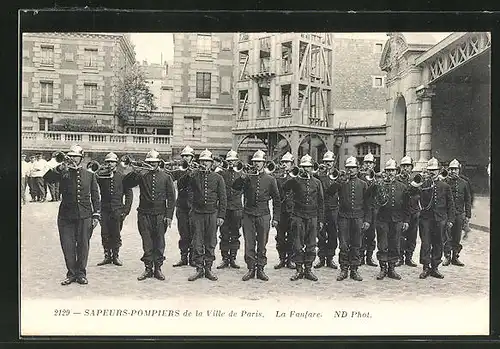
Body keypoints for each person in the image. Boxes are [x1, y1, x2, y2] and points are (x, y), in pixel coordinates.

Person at [46, 145, 101, 285]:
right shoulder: (63, 172)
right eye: (70, 156)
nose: (72, 158)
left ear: (81, 158)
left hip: (85, 215)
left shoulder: (90, 175)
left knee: (83, 245)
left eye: (75, 156)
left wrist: (96, 215)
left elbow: (95, 196)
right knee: (68, 245)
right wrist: (59, 168)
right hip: (66, 215)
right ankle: (71, 274)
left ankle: (81, 273)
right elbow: (48, 178)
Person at [123, 149, 176, 281]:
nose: (151, 164)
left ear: (159, 163)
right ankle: (148, 268)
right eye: (149, 162)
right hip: (144, 214)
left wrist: (169, 216)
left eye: (154, 162)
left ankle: (158, 268)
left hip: (160, 215)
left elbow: (171, 197)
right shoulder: (142, 175)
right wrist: (135, 171)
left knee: (159, 242)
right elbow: (127, 183)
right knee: (146, 242)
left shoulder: (166, 177)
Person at [233, 150, 281, 281]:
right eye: (255, 162)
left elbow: (277, 199)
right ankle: (250, 269)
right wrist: (241, 177)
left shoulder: (270, 179)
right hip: (248, 214)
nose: (257, 164)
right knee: (249, 243)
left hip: (263, 215)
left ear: (264, 163)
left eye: (259, 162)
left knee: (262, 243)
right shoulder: (247, 177)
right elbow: (235, 188)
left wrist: (276, 218)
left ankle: (260, 269)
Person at [326, 156, 372, 282]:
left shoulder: (363, 184)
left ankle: (354, 270)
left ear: (357, 169)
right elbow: (329, 193)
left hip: (358, 217)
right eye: (348, 168)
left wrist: (367, 220)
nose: (350, 170)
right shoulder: (341, 182)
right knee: (344, 244)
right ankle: (344, 269)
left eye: (353, 168)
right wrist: (338, 182)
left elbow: (368, 204)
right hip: (343, 217)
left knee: (356, 244)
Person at [185, 149, 227, 282]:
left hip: (212, 214)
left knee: (211, 242)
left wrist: (221, 216)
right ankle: (199, 268)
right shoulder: (194, 175)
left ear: (211, 163)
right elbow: (187, 191)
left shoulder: (218, 178)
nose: (204, 163)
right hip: (197, 214)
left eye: (207, 161)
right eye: (202, 161)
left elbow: (223, 198)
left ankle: (208, 268)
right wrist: (192, 207)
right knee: (197, 242)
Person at [284, 154, 324, 282]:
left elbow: (321, 202)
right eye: (304, 167)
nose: (306, 169)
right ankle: (299, 269)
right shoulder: (295, 181)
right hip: (298, 216)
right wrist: (293, 176)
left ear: (312, 168)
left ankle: (308, 269)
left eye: (308, 167)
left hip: (312, 216)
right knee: (297, 243)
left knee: (311, 244)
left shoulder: (317, 182)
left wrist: (321, 219)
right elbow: (284, 189)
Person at [418, 157, 455, 279]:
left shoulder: (445, 186)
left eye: (434, 170)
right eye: (430, 170)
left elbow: (450, 204)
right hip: (426, 219)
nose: (432, 172)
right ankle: (425, 267)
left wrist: (450, 220)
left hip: (440, 219)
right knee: (426, 243)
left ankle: (435, 267)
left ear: (439, 171)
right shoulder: (423, 184)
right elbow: (414, 196)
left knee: (438, 243)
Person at [374, 159, 410, 280]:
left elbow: (406, 205)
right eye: (388, 170)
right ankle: (383, 268)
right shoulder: (380, 185)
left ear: (396, 171)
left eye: (392, 171)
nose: (390, 173)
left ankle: (392, 268)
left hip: (397, 219)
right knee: (383, 244)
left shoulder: (402, 187)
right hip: (382, 219)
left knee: (395, 244)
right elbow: (372, 201)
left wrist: (406, 220)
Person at [96, 152, 134, 267]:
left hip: (118, 210)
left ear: (116, 163)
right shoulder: (101, 176)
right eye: (107, 162)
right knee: (105, 233)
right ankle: (107, 256)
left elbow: (129, 194)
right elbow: (93, 184)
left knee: (116, 233)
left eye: (112, 162)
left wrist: (125, 211)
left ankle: (115, 256)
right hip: (104, 209)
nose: (110, 164)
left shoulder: (122, 176)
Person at [217, 150, 244, 270]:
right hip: (224, 208)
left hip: (237, 208)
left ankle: (233, 258)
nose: (232, 163)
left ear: (237, 161)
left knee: (235, 233)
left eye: (234, 160)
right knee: (223, 233)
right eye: (230, 161)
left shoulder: (242, 174)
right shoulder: (222, 174)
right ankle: (225, 258)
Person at [170, 146, 196, 267]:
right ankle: (183, 257)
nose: (185, 158)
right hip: (181, 205)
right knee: (183, 232)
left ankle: (193, 258)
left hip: (194, 206)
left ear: (192, 157)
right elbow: (174, 182)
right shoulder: (179, 170)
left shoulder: (197, 169)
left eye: (188, 156)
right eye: (184, 156)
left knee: (194, 232)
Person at [443, 159, 471, 267]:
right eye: (451, 169)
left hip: (459, 213)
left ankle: (455, 256)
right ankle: (447, 256)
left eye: (455, 169)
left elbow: (467, 200)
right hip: (447, 214)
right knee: (447, 235)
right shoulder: (445, 183)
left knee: (457, 236)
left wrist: (468, 215)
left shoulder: (464, 183)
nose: (453, 171)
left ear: (459, 170)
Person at [314, 150, 339, 270]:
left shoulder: (337, 175)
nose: (328, 164)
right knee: (321, 233)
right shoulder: (319, 175)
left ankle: (330, 258)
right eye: (325, 161)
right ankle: (321, 257)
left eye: (330, 162)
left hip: (334, 209)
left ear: (334, 162)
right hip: (322, 208)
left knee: (333, 234)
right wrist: (320, 172)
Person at [395, 155, 419, 267]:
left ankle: (409, 257)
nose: (405, 168)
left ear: (411, 167)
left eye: (408, 166)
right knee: (400, 235)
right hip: (401, 212)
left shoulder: (416, 179)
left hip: (414, 211)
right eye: (403, 166)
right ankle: (400, 257)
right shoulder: (397, 179)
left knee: (412, 236)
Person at [273, 152, 296, 270]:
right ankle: (282, 258)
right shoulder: (278, 177)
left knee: (292, 236)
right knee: (280, 237)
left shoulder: (297, 177)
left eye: (287, 162)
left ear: (292, 164)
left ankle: (291, 259)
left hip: (293, 211)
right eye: (283, 162)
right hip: (282, 211)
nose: (284, 164)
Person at [358, 152, 378, 267]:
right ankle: (361, 256)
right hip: (363, 208)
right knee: (361, 232)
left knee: (371, 234)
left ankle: (369, 257)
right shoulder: (360, 176)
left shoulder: (377, 176)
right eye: (366, 162)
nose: (368, 165)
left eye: (370, 163)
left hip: (374, 209)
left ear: (374, 164)